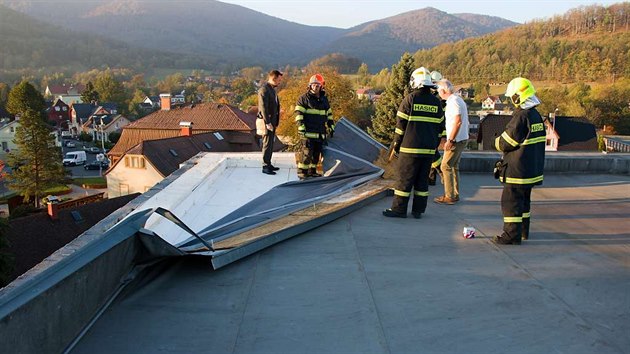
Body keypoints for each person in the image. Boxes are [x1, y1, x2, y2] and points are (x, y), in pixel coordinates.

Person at [383, 67, 444, 219]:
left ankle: (399, 210)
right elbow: (441, 129)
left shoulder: (410, 99)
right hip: (428, 151)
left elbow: (400, 126)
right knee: (422, 182)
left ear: (415, 82)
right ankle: (418, 211)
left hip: (409, 149)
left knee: (404, 180)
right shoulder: (436, 102)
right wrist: (433, 146)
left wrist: (396, 145)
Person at [493, 77, 545, 245]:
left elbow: (506, 142)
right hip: (531, 169)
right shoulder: (536, 115)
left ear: (517, 97)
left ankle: (511, 236)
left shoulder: (521, 116)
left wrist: (495, 142)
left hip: (517, 170)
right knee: (524, 203)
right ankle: (523, 231)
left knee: (510, 203)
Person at [433, 79, 469, 204]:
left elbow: (457, 121)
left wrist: (451, 139)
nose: (438, 93)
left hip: (456, 140)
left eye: (438, 91)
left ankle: (449, 196)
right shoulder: (458, 100)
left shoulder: (453, 102)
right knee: (454, 166)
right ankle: (454, 194)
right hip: (462, 138)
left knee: (445, 166)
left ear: (443, 90)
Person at [294, 74, 335, 180]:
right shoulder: (303, 99)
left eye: (318, 85)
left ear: (321, 86)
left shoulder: (324, 100)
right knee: (307, 154)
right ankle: (302, 173)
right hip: (308, 133)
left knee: (316, 155)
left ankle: (312, 172)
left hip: (320, 132)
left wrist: (331, 125)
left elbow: (329, 114)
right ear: (310, 86)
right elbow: (299, 114)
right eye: (313, 85)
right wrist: (301, 126)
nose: (315, 87)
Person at [258, 69, 283, 175]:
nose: (280, 82)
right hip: (267, 122)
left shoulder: (272, 89)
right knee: (267, 143)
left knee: (270, 143)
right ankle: (265, 166)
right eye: (279, 79)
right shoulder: (264, 90)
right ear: (274, 78)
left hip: (272, 121)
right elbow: (263, 108)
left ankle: (268, 163)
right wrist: (268, 123)